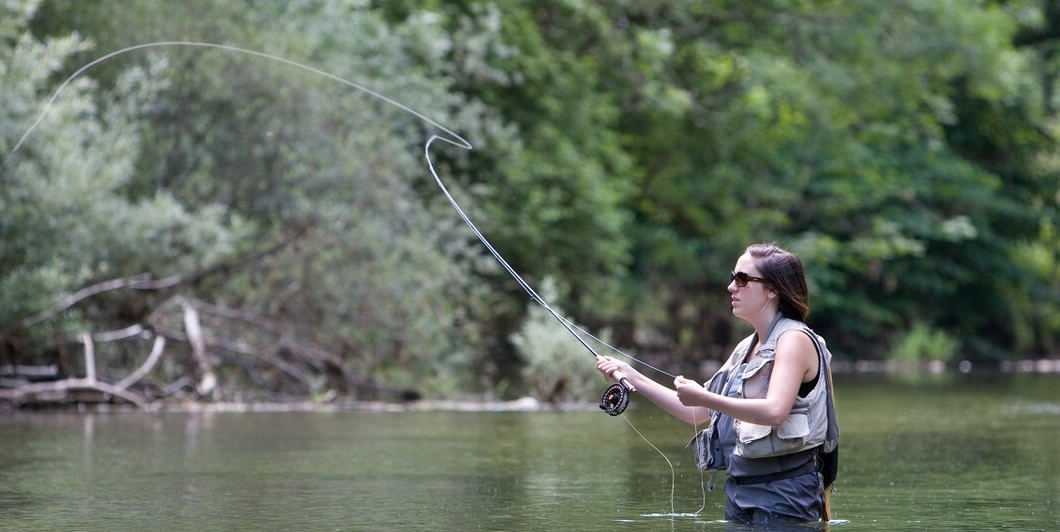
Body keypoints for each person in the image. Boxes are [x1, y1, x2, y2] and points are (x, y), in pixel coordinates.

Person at [596, 243, 838, 526]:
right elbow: (696, 412)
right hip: (740, 491)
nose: (731, 287)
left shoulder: (794, 340)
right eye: (733, 277)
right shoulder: (746, 348)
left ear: (773, 289)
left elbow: (775, 411)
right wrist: (632, 375)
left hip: (787, 494)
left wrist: (705, 397)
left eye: (742, 279)